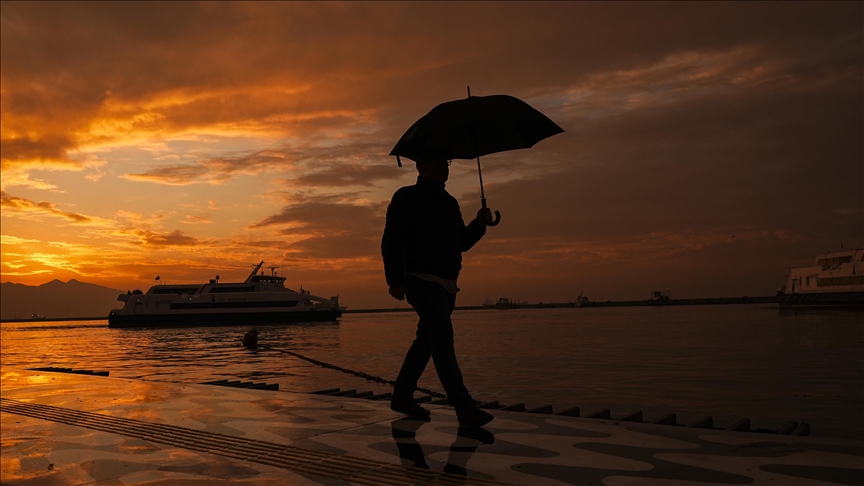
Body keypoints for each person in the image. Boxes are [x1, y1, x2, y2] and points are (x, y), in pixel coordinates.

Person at [381, 158, 495, 427]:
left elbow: (461, 244)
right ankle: (464, 408)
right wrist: (395, 280)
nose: (444, 168)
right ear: (421, 167)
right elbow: (391, 240)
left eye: (445, 163)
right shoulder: (406, 197)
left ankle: (402, 395)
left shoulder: (450, 202)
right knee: (443, 342)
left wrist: (478, 225)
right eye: (437, 163)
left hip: (447, 283)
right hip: (420, 280)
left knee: (426, 341)